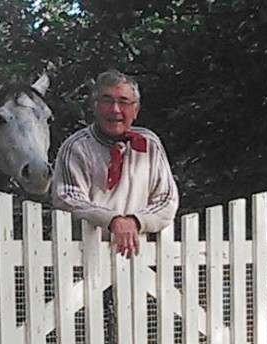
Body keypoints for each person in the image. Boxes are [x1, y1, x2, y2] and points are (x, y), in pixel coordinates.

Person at [51, 69, 179, 258]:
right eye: (107, 100)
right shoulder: (77, 147)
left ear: (135, 110)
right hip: (84, 258)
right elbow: (69, 199)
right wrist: (113, 221)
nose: (115, 109)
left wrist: (135, 222)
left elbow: (167, 200)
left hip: (138, 258)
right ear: (94, 106)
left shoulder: (149, 144)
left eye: (123, 101)